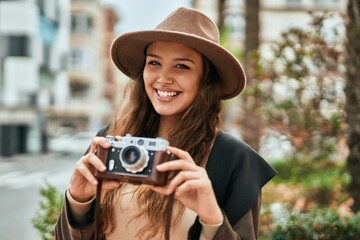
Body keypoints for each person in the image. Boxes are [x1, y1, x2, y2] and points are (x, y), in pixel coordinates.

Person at [55, 7, 277, 240]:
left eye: (182, 66)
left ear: (206, 80)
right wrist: (78, 200)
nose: (163, 78)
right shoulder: (111, 142)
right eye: (154, 63)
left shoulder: (234, 160)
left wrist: (212, 219)